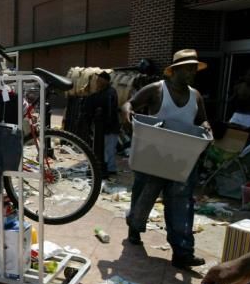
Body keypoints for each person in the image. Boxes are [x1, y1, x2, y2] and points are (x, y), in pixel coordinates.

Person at [121, 49, 211, 269]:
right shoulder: (157, 89)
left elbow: (202, 121)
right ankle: (134, 226)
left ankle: (182, 253)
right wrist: (127, 114)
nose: (192, 72)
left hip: (181, 159)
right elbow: (129, 104)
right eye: (188, 68)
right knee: (143, 197)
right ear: (175, 70)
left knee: (181, 205)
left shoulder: (196, 95)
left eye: (194, 69)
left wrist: (207, 129)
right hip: (152, 155)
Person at [84, 71, 120, 177]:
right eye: (97, 80)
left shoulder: (110, 92)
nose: (97, 82)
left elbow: (107, 107)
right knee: (103, 148)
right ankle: (107, 167)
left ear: (106, 81)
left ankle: (110, 169)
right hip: (102, 126)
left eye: (100, 80)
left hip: (110, 126)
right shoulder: (102, 92)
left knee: (109, 148)